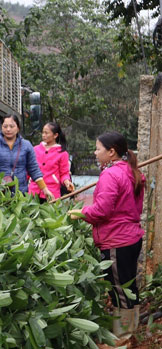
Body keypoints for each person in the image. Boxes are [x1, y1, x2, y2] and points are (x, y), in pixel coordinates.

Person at [68, 131, 144, 337]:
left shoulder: (111, 174)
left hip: (117, 240)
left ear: (111, 152)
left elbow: (102, 211)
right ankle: (132, 330)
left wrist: (80, 213)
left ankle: (124, 336)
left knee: (119, 289)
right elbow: (133, 209)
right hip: (131, 237)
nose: (94, 152)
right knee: (128, 286)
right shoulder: (130, 171)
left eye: (98, 148)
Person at [0, 115, 52, 199]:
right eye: (5, 126)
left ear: (18, 128)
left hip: (20, 193)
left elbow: (34, 169)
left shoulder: (26, 145)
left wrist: (44, 189)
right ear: (1, 127)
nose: (8, 129)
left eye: (12, 126)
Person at [31, 122, 75, 200]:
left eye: (46, 133)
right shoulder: (35, 150)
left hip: (52, 193)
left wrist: (67, 182)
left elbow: (64, 173)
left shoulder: (62, 153)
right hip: (33, 192)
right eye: (43, 132)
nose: (43, 135)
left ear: (55, 135)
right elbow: (30, 169)